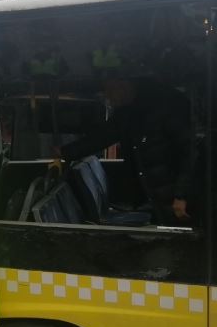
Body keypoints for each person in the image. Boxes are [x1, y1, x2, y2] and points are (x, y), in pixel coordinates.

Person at [60, 77, 194, 223]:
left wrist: (182, 196)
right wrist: (64, 152)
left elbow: (189, 153)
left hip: (175, 197)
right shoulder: (128, 113)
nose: (107, 96)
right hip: (154, 195)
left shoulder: (164, 109)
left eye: (110, 90)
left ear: (124, 86)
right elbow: (101, 138)